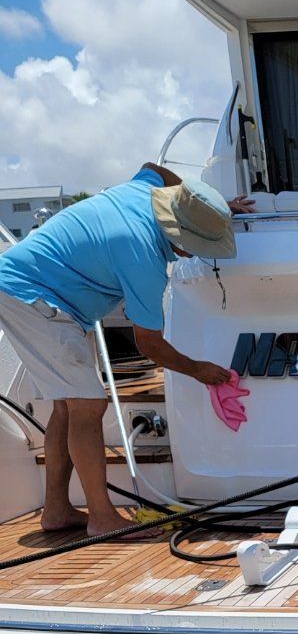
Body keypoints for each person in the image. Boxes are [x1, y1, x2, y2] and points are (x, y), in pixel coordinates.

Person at [0, 165, 254, 536]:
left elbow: (155, 169)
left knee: (68, 405)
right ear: (179, 237)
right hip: (33, 296)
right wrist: (199, 369)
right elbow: (149, 345)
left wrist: (215, 209)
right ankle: (102, 519)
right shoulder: (143, 258)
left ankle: (56, 511)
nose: (189, 254)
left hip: (40, 292)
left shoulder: (146, 191)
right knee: (88, 405)